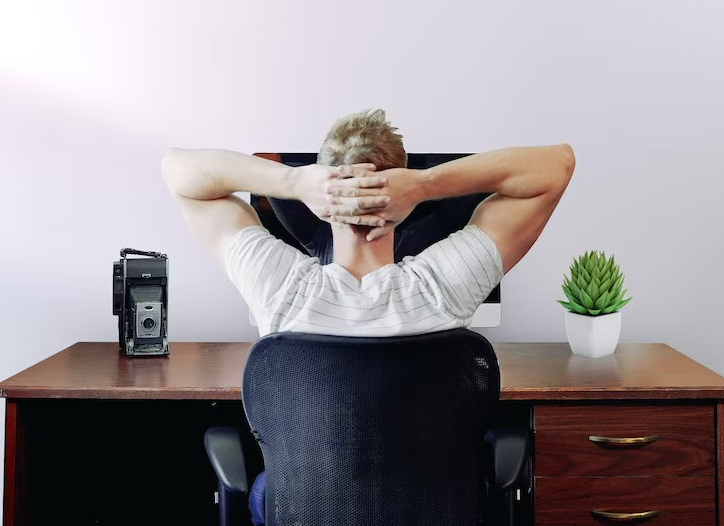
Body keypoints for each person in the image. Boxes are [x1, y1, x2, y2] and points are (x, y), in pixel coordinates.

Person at [161, 109, 575, 523]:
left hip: (308, 513)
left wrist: (293, 182)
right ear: (404, 198)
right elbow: (557, 165)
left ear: (322, 203)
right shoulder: (442, 287)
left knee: (268, 485)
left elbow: (178, 170)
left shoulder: (280, 288)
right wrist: (425, 184)